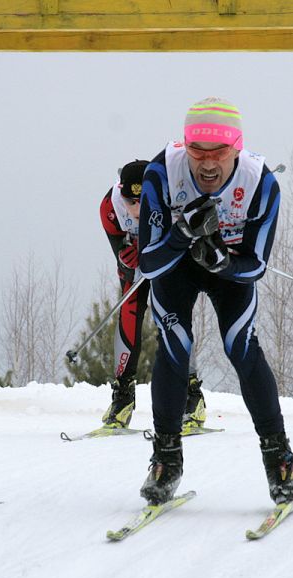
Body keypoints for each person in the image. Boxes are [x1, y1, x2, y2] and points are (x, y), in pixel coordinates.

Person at [136, 97, 293, 506]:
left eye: (220, 153)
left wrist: (222, 262)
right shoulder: (161, 174)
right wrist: (179, 236)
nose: (208, 165)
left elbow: (257, 265)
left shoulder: (261, 183)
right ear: (184, 146)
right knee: (176, 347)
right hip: (175, 267)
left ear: (238, 149)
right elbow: (148, 262)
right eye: (197, 152)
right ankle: (166, 459)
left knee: (241, 347)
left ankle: (279, 458)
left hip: (229, 269)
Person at [99, 159, 206, 432]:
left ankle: (192, 396)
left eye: (142, 201)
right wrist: (125, 256)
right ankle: (122, 396)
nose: (135, 209)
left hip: (166, 257)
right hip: (139, 261)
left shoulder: (172, 196)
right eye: (130, 201)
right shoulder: (110, 208)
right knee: (130, 307)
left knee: (171, 315)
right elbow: (118, 246)